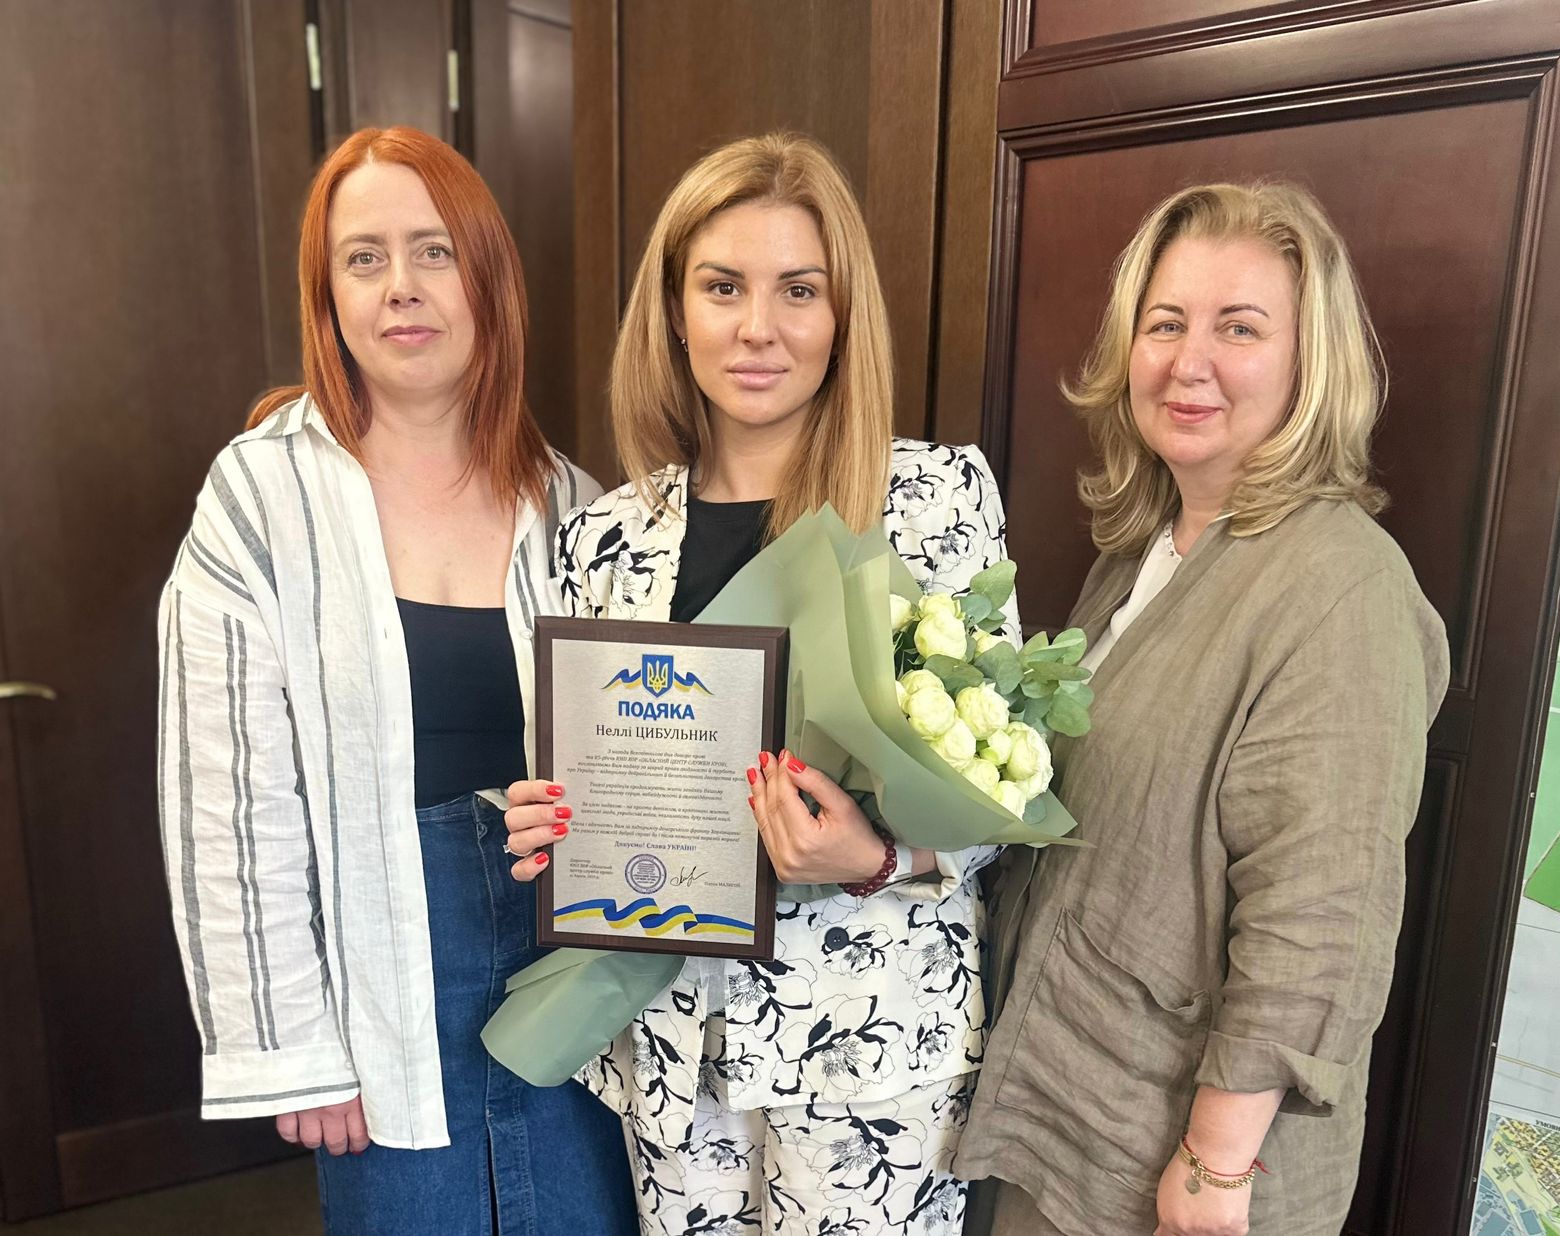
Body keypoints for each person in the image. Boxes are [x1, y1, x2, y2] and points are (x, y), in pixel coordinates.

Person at [502, 132, 1012, 1236]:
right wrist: (551, 825)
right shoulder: (603, 540)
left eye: (799, 290)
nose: (757, 328)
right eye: (722, 287)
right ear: (674, 311)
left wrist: (877, 858)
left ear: (842, 316)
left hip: (868, 1046)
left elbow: (1005, 790)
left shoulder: (928, 501)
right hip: (669, 1054)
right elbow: (586, 779)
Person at [156, 125, 635, 1235]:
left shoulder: (573, 503)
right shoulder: (259, 497)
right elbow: (224, 802)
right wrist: (293, 1048)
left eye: (433, 251)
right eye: (363, 258)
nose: (401, 287)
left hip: (572, 979)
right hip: (378, 991)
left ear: (486, 277)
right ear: (328, 297)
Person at [952, 181, 1449, 1236]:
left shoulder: (1341, 588)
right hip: (1069, 1111)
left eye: (1240, 328)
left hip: (1184, 1169)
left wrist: (1218, 1164)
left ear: (1310, 364)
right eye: (1166, 323)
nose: (1189, 361)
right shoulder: (1144, 552)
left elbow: (1322, 914)